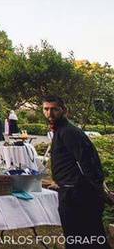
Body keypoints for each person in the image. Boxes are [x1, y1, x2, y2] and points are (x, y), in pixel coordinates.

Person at [43, 95, 109, 248]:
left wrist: (101, 191)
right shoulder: (61, 131)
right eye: (46, 109)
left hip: (79, 197)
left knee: (86, 241)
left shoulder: (69, 132)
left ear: (64, 110)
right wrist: (59, 182)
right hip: (71, 192)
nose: (50, 113)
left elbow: (89, 164)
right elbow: (69, 163)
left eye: (54, 109)